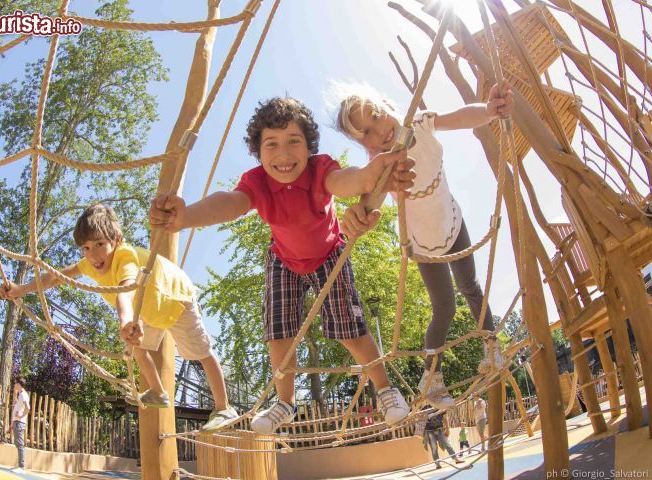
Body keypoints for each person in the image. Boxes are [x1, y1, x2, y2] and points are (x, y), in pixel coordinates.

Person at [149, 96, 416, 434]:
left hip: (328, 253)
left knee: (350, 326)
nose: (284, 154)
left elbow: (342, 181)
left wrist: (366, 178)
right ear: (259, 154)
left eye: (294, 142)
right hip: (284, 260)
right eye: (271, 145)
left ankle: (385, 389)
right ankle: (285, 402)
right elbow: (230, 203)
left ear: (309, 148)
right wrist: (187, 216)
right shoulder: (257, 182)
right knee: (278, 331)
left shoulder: (320, 169)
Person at [333, 81, 513, 409]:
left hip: (452, 223)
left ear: (387, 103)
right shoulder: (382, 165)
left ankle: (491, 345)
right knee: (443, 307)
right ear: (365, 146)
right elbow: (365, 198)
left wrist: (487, 112)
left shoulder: (420, 123)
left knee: (470, 287)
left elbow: (458, 117)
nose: (379, 131)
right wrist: (355, 216)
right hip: (423, 245)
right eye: (367, 134)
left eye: (376, 115)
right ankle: (432, 377)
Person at [0, 204, 238, 431]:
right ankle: (158, 392)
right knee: (136, 347)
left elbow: (125, 290)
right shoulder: (90, 264)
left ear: (117, 240)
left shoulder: (125, 257)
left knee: (200, 352)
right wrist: (22, 289)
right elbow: (57, 276)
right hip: (149, 309)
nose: (93, 255)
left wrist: (125, 321)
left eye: (100, 244)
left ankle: (224, 408)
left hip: (175, 299)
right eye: (86, 248)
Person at [9, 377, 30, 472]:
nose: (14, 385)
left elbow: (28, 408)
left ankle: (21, 466)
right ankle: (20, 465)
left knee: (20, 444)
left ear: (19, 384)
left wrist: (21, 416)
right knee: (18, 443)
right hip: (17, 422)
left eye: (16, 383)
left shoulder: (23, 395)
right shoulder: (21, 394)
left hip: (19, 422)